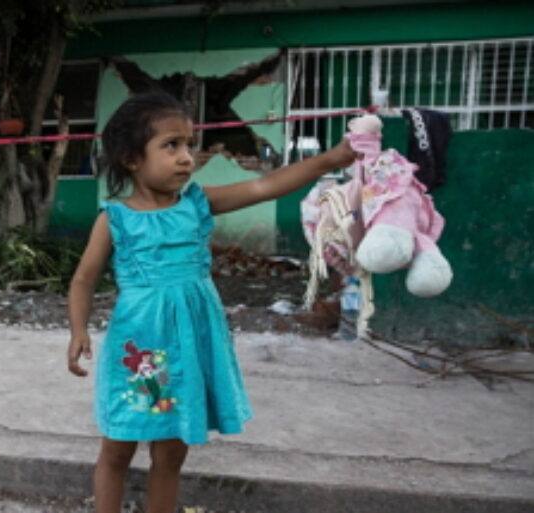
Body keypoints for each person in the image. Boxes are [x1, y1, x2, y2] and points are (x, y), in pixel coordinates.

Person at [66, 92, 358, 513]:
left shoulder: (198, 203)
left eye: (189, 144)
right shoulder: (114, 219)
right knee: (118, 446)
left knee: (171, 452)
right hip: (142, 348)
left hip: (193, 340)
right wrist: (77, 330)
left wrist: (329, 161)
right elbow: (82, 280)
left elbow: (264, 185)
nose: (187, 157)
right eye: (171, 146)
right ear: (132, 158)